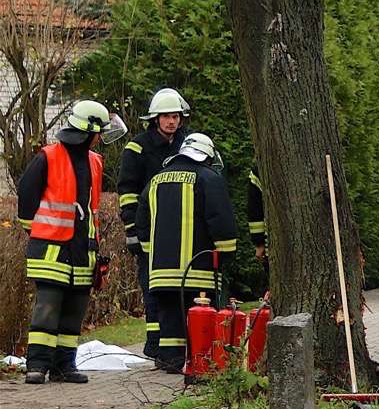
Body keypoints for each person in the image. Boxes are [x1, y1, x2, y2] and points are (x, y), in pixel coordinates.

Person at [18, 101, 128, 384]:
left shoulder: (95, 161)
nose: (101, 137)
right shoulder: (48, 156)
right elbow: (26, 197)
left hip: (83, 248)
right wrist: (38, 232)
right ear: (87, 130)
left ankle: (64, 366)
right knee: (47, 308)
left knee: (73, 312)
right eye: (99, 132)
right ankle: (37, 366)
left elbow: (90, 209)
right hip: (51, 248)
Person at [138, 133, 237, 374]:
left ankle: (171, 362)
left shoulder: (155, 180)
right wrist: (226, 254)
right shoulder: (208, 178)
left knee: (169, 319)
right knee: (198, 322)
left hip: (160, 273)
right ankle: (199, 363)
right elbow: (221, 221)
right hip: (198, 272)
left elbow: (142, 222)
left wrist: (152, 256)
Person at [118, 88, 191, 359]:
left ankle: (177, 345)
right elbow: (127, 190)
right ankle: (154, 344)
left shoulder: (186, 145)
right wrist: (131, 230)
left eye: (175, 116)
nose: (171, 121)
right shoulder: (137, 148)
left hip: (180, 232)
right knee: (152, 288)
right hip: (148, 231)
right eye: (166, 117)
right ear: (155, 119)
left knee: (178, 288)